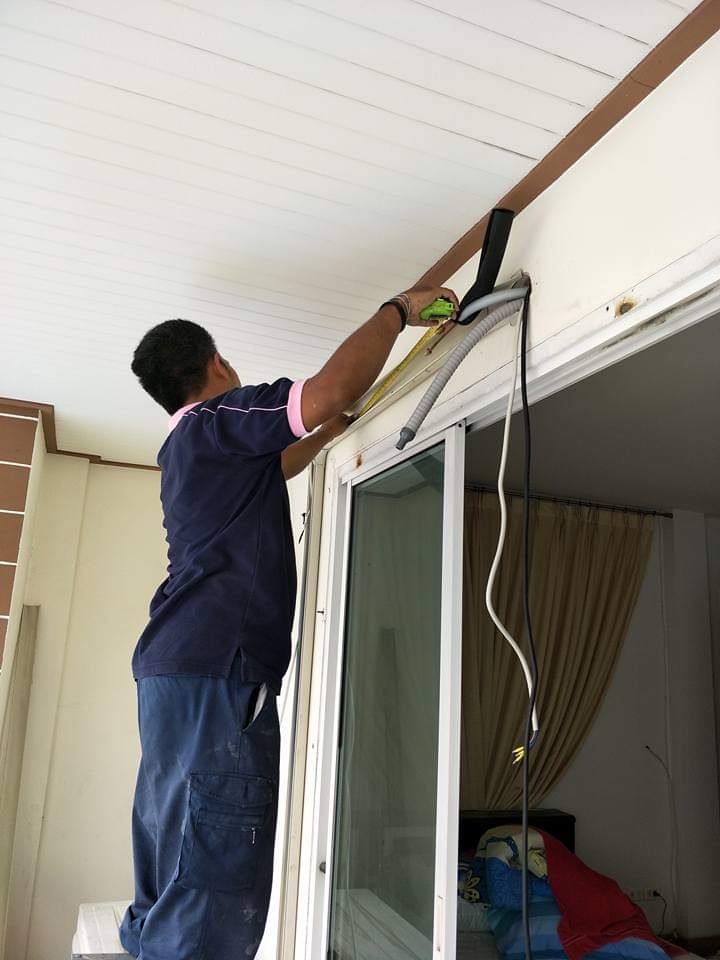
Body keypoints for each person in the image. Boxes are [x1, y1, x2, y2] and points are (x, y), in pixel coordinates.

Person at [119, 283, 458, 960]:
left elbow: (280, 460)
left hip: (179, 668)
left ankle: (148, 941)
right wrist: (397, 313)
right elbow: (327, 393)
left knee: (175, 837)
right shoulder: (219, 420)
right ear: (217, 364)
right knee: (215, 860)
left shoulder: (188, 450)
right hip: (216, 665)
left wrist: (331, 428)